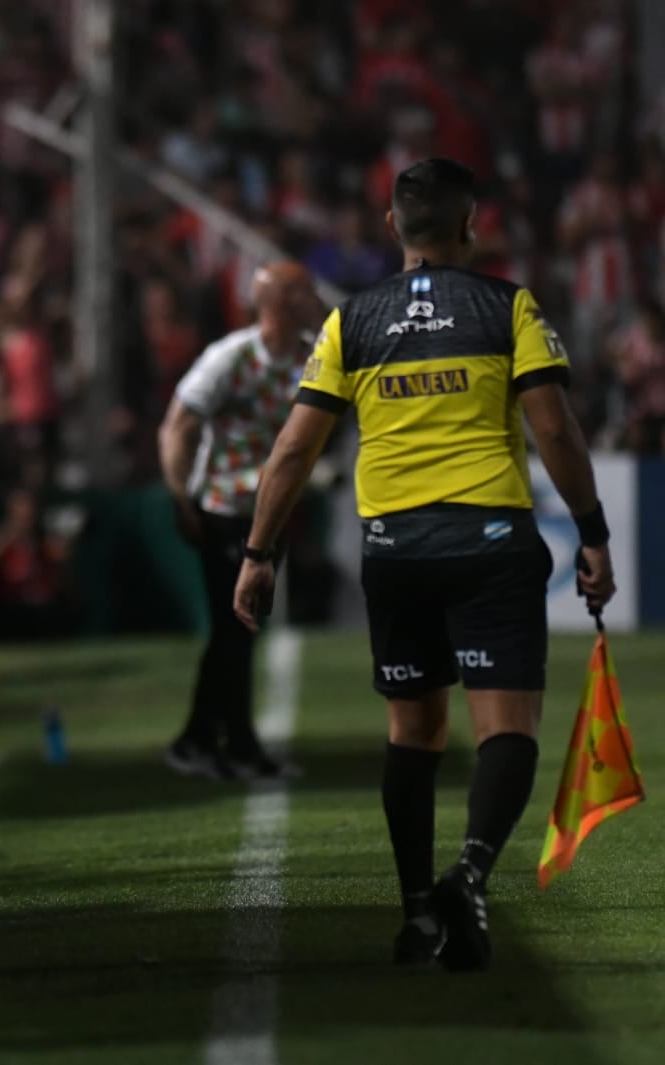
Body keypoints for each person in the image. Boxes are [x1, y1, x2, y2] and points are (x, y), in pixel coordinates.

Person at [234, 158, 617, 972]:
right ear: (471, 226)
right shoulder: (507, 307)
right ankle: (469, 874)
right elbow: (554, 431)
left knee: (413, 733)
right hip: (489, 545)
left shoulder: (350, 323)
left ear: (391, 227)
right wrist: (592, 534)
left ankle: (417, 914)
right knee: (506, 730)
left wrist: (259, 551)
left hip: (394, 553)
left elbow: (296, 447)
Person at [158, 262, 324, 780]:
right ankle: (240, 748)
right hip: (226, 510)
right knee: (236, 628)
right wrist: (181, 498)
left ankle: (199, 740)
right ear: (281, 302)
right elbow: (177, 427)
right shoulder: (230, 358)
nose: (313, 300)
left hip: (272, 514)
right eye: (303, 292)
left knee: (237, 633)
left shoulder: (312, 357)